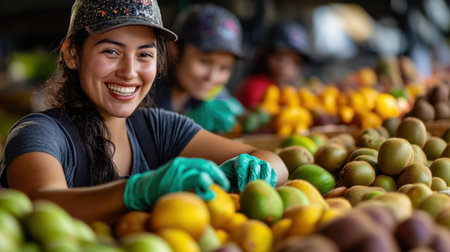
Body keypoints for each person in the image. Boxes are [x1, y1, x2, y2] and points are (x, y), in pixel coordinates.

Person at [0, 0, 288, 224]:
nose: (130, 72)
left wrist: (242, 173)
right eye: (111, 51)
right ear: (72, 53)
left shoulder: (160, 129)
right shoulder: (39, 132)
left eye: (144, 55)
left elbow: (275, 162)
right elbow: (40, 204)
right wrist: (138, 191)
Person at [151, 4, 245, 133]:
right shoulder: (145, 97)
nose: (212, 77)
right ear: (174, 50)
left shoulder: (216, 99)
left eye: (224, 68)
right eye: (204, 62)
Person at [235, 20, 310, 109]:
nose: (286, 68)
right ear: (265, 56)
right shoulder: (255, 87)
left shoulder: (298, 90)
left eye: (295, 62)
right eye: (279, 58)